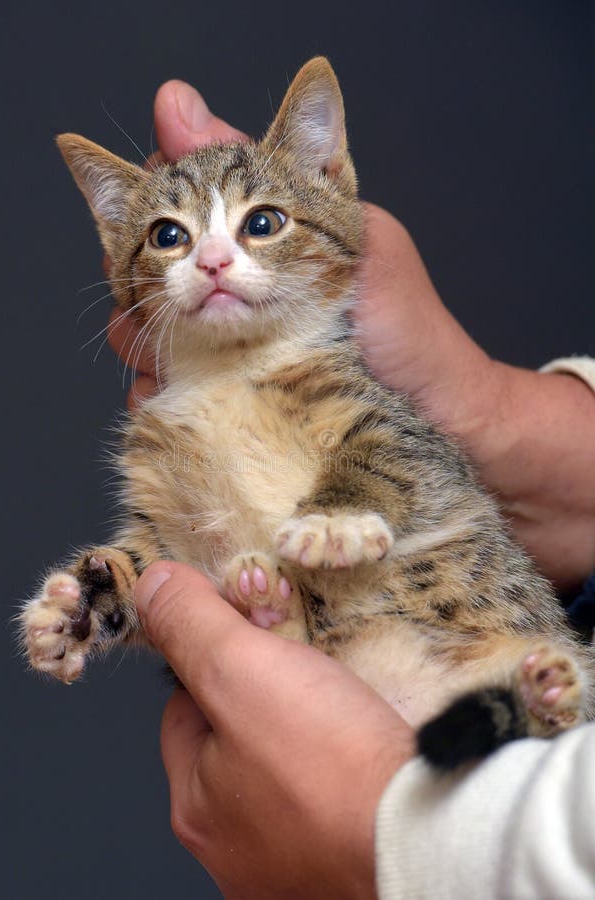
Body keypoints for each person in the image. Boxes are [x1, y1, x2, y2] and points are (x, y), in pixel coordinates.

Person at [108, 80, 595, 899]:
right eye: (169, 237)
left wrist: (385, 827)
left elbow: (388, 445)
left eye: (260, 222)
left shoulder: (344, 388)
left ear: (328, 180)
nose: (215, 258)